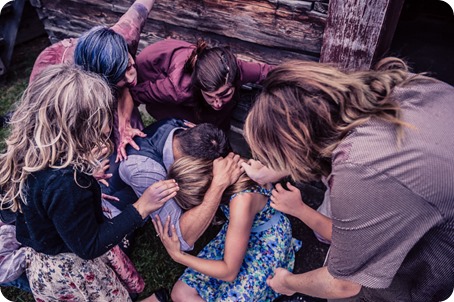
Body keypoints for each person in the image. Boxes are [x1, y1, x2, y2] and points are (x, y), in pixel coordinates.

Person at [242, 57, 454, 301]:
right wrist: (278, 168)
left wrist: (287, 282)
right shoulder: (400, 87)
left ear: (297, 147)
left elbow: (344, 285)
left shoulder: (359, 171)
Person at [0, 65, 179, 301]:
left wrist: (86, 179)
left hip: (46, 260)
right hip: (74, 271)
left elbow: (44, 201)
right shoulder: (67, 185)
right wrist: (141, 208)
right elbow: (90, 245)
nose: (109, 124)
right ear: (78, 130)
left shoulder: (34, 156)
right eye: (103, 117)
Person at [154, 156, 301, 302]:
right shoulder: (221, 168)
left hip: (267, 241)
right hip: (239, 231)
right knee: (180, 293)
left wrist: (179, 256)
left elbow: (229, 272)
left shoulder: (241, 201)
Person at [29, 0, 156, 159]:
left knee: (130, 136)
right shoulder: (57, 83)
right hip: (69, 92)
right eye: (120, 78)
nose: (132, 79)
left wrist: (125, 126)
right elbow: (46, 133)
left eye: (129, 66)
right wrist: (84, 161)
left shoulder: (123, 36)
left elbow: (143, 3)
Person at [118, 119, 242, 252]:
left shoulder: (182, 134)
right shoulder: (144, 171)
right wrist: (218, 185)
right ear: (191, 167)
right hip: (113, 215)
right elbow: (179, 238)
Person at [128, 38, 273, 132]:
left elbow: (267, 72)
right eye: (210, 96)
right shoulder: (178, 89)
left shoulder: (237, 69)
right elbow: (134, 92)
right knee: (196, 129)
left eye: (224, 94)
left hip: (181, 76)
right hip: (152, 71)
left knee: (220, 114)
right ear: (199, 87)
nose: (217, 103)